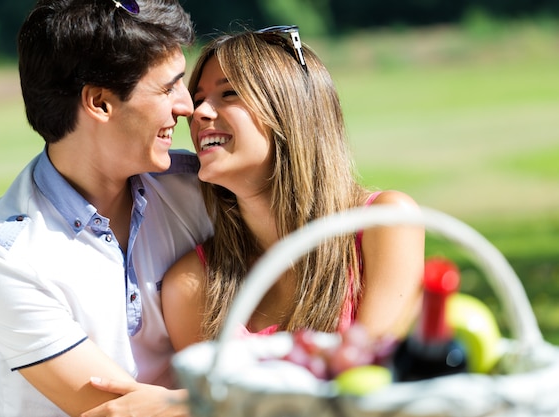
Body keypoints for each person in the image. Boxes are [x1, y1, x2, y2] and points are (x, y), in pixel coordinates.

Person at [83, 26, 425, 415]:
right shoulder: (192, 284)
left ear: (291, 109)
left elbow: (368, 386)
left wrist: (182, 406)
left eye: (228, 94)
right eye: (198, 100)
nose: (199, 113)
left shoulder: (385, 224)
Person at [0, 0, 212, 416]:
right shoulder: (5, 258)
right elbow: (119, 411)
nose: (187, 106)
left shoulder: (199, 188)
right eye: (168, 87)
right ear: (99, 103)